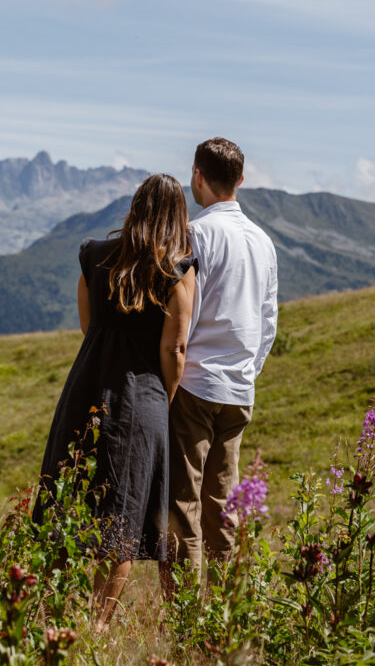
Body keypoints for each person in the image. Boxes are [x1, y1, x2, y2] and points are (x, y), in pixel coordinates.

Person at [33, 174, 197, 630]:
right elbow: (175, 349)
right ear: (177, 217)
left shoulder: (92, 255)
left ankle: (48, 618)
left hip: (86, 386)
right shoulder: (178, 270)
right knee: (121, 517)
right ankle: (96, 625)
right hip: (141, 395)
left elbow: (89, 326)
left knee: (66, 498)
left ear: (135, 206)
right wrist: (164, 395)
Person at [160, 138, 278, 588]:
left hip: (194, 384)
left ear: (197, 177)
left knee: (181, 507)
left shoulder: (194, 234)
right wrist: (248, 371)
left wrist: (173, 376)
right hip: (239, 389)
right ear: (241, 181)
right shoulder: (264, 243)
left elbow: (182, 315)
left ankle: (186, 619)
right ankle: (227, 610)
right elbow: (268, 321)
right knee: (223, 509)